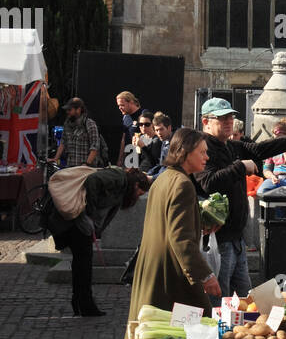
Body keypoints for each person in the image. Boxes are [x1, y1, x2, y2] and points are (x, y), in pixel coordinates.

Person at [195, 97, 286, 296]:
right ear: (205, 122)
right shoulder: (202, 149)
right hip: (218, 240)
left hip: (237, 238)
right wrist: (240, 167)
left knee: (246, 297)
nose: (228, 122)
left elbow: (262, 149)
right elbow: (208, 182)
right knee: (221, 299)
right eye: (221, 118)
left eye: (230, 117)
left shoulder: (232, 146)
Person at [128, 128, 222, 325]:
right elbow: (180, 239)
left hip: (154, 267)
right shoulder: (182, 184)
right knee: (198, 327)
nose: (207, 156)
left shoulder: (163, 178)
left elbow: (168, 223)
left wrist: (198, 223)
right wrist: (206, 275)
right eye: (202, 152)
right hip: (170, 273)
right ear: (185, 152)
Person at [47, 165, 150, 316]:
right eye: (139, 193)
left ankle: (80, 301)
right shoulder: (119, 178)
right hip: (79, 223)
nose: (137, 197)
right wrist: (90, 213)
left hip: (80, 224)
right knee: (83, 264)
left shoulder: (121, 185)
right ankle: (85, 303)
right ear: (136, 185)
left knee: (81, 263)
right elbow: (93, 181)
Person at [51, 97, 100, 168]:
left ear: (79, 109)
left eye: (70, 110)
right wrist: (55, 159)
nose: (67, 112)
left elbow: (95, 146)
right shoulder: (67, 124)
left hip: (86, 169)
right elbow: (63, 142)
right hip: (71, 166)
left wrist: (87, 164)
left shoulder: (89, 124)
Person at [115, 91, 140, 164]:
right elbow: (123, 139)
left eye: (122, 105)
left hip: (140, 157)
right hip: (129, 157)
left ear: (131, 102)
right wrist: (120, 159)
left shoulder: (143, 115)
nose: (120, 108)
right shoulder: (125, 117)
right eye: (118, 105)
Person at [148, 112, 173, 178]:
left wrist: (152, 178)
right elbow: (161, 165)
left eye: (161, 129)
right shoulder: (164, 141)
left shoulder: (176, 143)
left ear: (169, 128)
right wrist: (148, 174)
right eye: (156, 130)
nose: (159, 133)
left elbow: (170, 169)